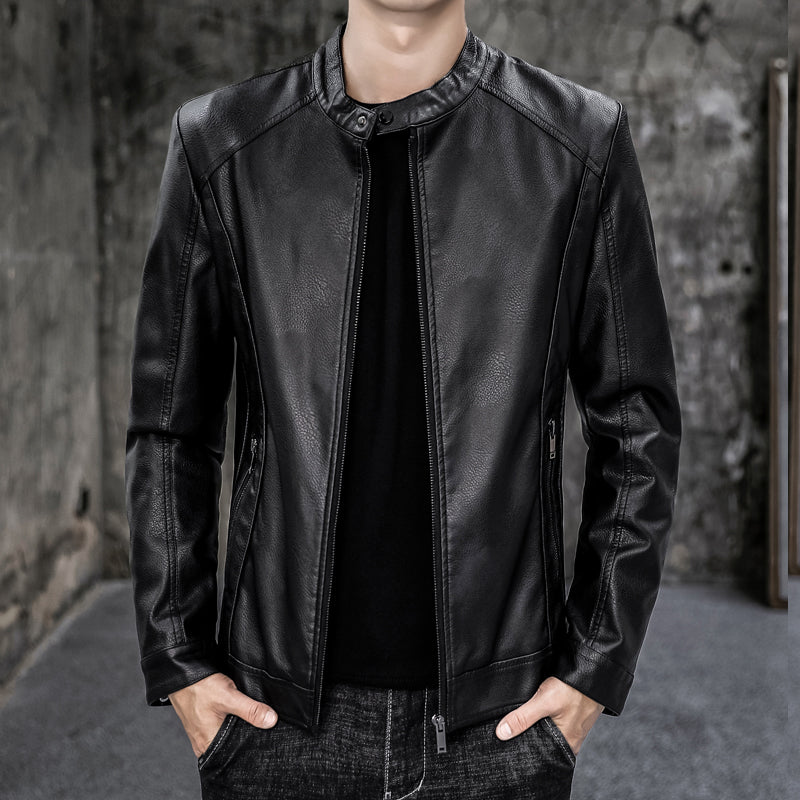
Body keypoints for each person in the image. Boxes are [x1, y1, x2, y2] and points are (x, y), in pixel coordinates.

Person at [125, 1, 682, 797]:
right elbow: (168, 425)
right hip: (273, 723)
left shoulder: (578, 143)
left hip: (502, 724)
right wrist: (178, 657)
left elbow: (638, 423)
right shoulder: (222, 142)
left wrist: (595, 664)